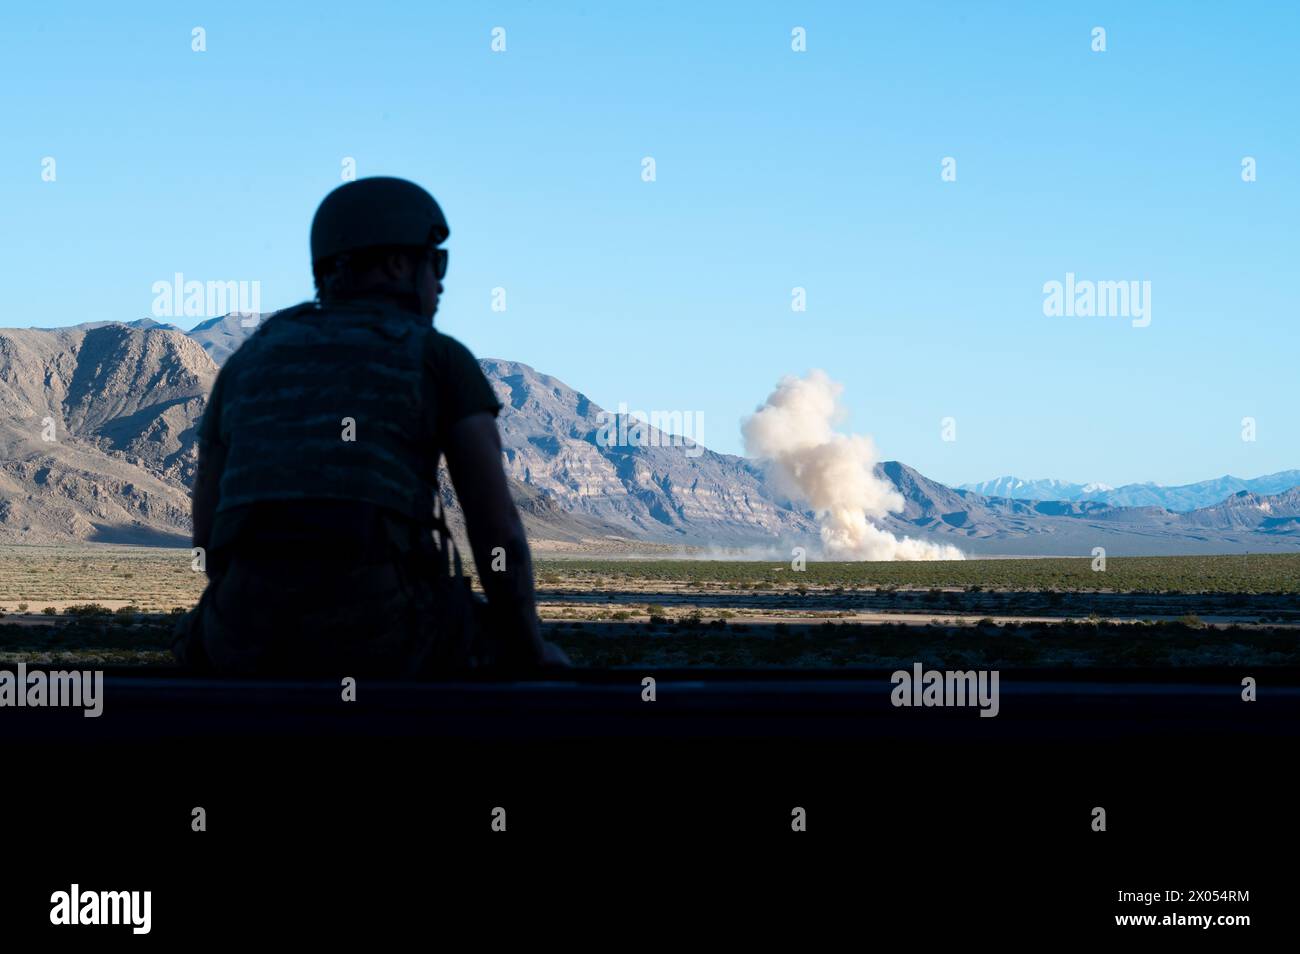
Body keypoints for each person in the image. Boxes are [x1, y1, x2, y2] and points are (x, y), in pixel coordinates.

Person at [173, 176, 566, 676]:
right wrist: (530, 650)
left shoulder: (244, 364)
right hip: (389, 635)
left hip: (238, 637)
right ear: (398, 264)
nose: (441, 282)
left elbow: (207, 540)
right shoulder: (437, 357)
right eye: (436, 262)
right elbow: (498, 534)